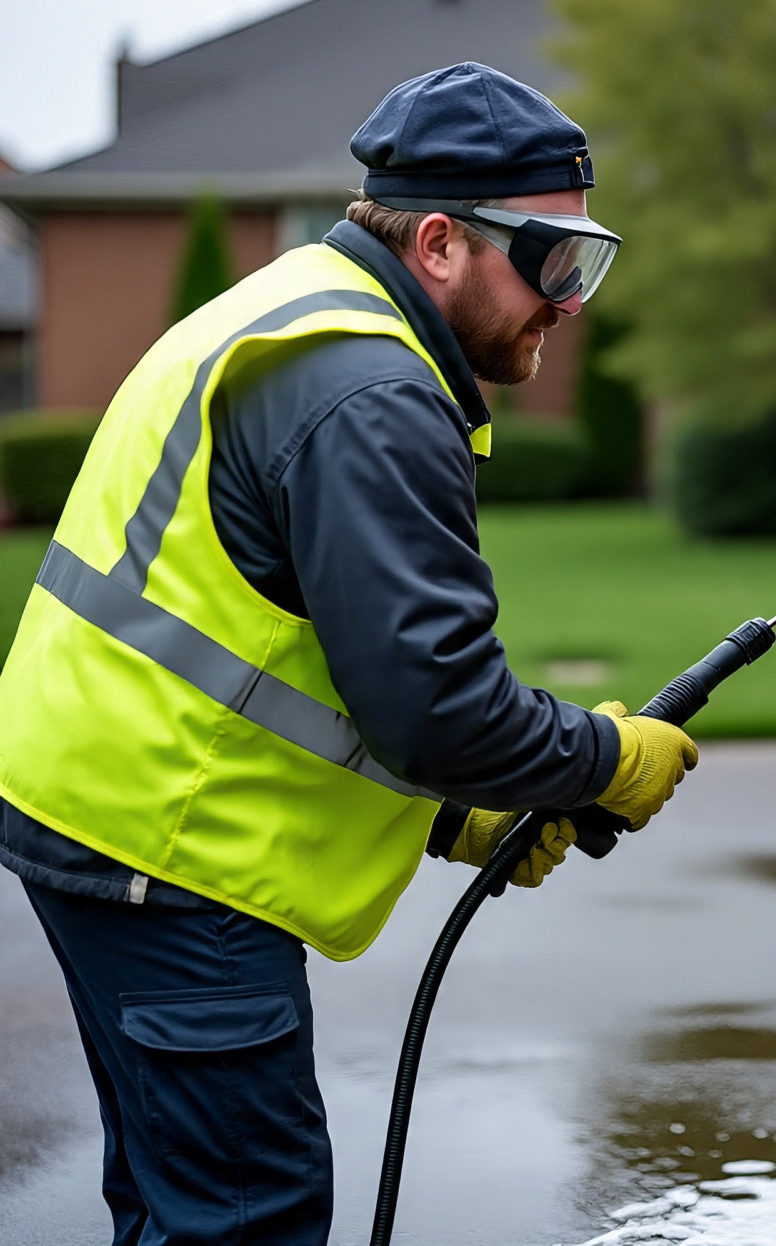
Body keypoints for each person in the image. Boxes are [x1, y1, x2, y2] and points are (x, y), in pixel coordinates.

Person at [0, 62, 699, 1245]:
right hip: (170, 855)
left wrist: (444, 815)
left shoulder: (299, 311)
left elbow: (264, 649)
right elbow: (438, 710)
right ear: (438, 242)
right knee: (243, 1219)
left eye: (589, 261)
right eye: (552, 260)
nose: (571, 299)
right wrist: (598, 758)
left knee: (175, 1209)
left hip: (109, 815)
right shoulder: (369, 389)